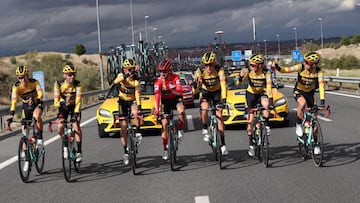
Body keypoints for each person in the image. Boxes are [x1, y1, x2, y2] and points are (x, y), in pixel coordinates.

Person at [273, 51, 325, 155]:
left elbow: (322, 86)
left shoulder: (319, 72)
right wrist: (277, 67)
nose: (305, 63)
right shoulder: (300, 67)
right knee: (302, 103)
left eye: (307, 62)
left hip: (310, 94)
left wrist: (322, 102)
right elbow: (285, 70)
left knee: (314, 124)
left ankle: (315, 145)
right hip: (299, 91)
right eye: (304, 61)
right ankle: (298, 124)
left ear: (314, 64)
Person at [7, 65, 44, 171]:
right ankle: (27, 159)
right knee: (24, 131)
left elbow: (41, 94)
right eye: (19, 77)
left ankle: (40, 139)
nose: (22, 79)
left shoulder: (35, 82)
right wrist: (11, 115)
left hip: (37, 103)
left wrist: (36, 100)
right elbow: (13, 101)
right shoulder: (16, 87)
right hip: (26, 107)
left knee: (37, 116)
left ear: (27, 75)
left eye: (23, 77)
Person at [237, 54, 273, 157]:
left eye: (253, 65)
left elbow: (269, 88)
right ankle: (251, 144)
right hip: (250, 95)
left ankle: (266, 125)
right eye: (250, 65)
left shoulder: (266, 73)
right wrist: (240, 76)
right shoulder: (249, 71)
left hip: (261, 93)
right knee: (250, 120)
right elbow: (239, 82)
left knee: (266, 104)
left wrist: (270, 103)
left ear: (260, 66)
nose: (251, 66)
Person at [193, 51, 228, 155]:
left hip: (217, 93)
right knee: (204, 108)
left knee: (219, 117)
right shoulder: (200, 71)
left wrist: (224, 100)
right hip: (205, 93)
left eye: (211, 65)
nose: (208, 68)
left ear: (214, 63)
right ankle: (204, 127)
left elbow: (223, 85)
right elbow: (194, 91)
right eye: (206, 65)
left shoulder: (219, 70)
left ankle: (223, 144)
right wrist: (195, 86)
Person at [113, 59, 142, 165]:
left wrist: (139, 107)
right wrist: (124, 77)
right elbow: (115, 82)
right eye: (128, 69)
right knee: (123, 127)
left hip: (132, 101)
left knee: (135, 113)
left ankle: (138, 132)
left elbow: (138, 94)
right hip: (122, 102)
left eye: (132, 69)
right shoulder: (121, 76)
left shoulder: (136, 79)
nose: (130, 72)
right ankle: (125, 151)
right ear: (124, 69)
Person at [154, 60, 185, 160]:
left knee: (181, 110)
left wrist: (172, 90)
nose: (162, 73)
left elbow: (180, 91)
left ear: (169, 71)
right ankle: (165, 149)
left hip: (175, 98)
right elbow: (157, 96)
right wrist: (157, 110)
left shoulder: (175, 77)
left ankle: (180, 130)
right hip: (165, 101)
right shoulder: (158, 81)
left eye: (165, 71)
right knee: (165, 123)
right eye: (160, 71)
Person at [54, 64, 83, 162]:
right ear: (65, 75)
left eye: (74, 74)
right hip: (63, 107)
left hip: (75, 106)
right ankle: (65, 145)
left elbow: (78, 101)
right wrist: (61, 103)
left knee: (76, 126)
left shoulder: (78, 84)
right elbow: (55, 101)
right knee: (60, 127)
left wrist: (75, 114)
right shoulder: (58, 84)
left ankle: (79, 151)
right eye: (70, 74)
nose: (72, 77)